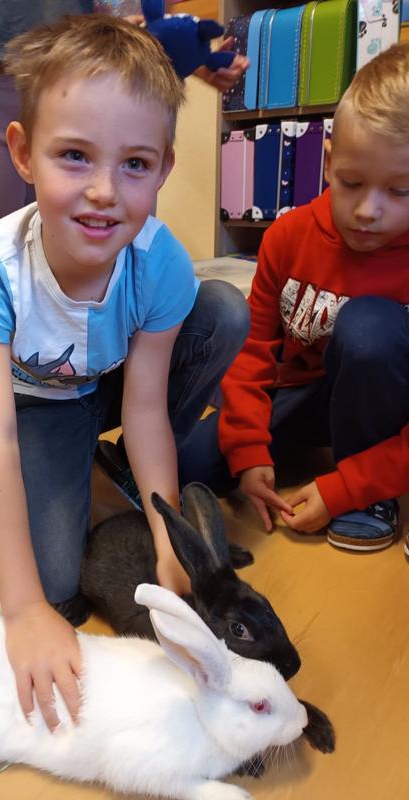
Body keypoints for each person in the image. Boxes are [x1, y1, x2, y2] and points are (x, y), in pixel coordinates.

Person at [0, 15, 249, 730]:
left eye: (134, 164)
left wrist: (168, 537)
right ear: (23, 153)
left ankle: (103, 470)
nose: (105, 191)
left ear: (164, 168)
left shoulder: (159, 261)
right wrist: (23, 609)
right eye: (75, 156)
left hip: (106, 388)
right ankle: (56, 466)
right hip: (28, 409)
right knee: (53, 586)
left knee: (222, 310)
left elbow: (144, 409)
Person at [180, 43, 409, 553]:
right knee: (191, 465)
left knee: (369, 328)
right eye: (352, 182)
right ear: (328, 162)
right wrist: (248, 450)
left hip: (388, 414)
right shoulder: (288, 236)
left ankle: (371, 498)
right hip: (307, 394)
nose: (368, 211)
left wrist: (347, 487)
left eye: (401, 192)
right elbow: (253, 351)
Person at [0, 0, 248, 234]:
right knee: (6, 258)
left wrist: (189, 56)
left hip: (94, 75)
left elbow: (139, 16)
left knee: (118, 253)